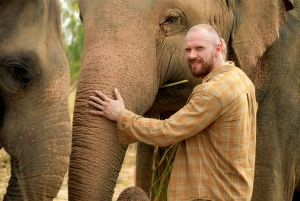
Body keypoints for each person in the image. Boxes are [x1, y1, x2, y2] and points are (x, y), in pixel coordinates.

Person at [89, 24, 258, 201]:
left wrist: (121, 115)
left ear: (218, 48)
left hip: (210, 194)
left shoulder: (212, 92)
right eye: (188, 49)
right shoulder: (241, 79)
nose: (192, 55)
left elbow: (166, 132)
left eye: (199, 48)